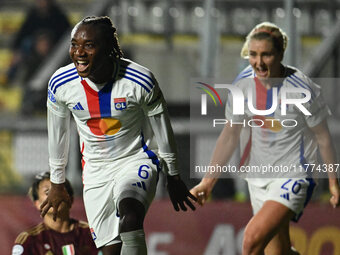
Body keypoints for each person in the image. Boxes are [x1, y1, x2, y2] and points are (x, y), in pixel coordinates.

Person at [42, 16, 196, 255]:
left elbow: (162, 128)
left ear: (109, 50)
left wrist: (173, 175)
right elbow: (58, 133)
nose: (79, 53)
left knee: (130, 215)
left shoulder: (139, 81)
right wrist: (57, 181)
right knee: (111, 251)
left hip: (134, 160)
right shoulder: (61, 84)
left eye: (89, 45)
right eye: (74, 45)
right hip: (95, 172)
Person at [190, 22, 340, 255]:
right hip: (258, 179)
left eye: (266, 55)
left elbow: (323, 137)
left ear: (280, 54)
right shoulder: (242, 84)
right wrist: (208, 182)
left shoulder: (301, 89)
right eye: (253, 54)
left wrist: (333, 181)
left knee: (250, 241)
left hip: (295, 175)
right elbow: (230, 135)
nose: (258, 62)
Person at [12, 172, 99, 255]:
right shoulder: (29, 240)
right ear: (37, 204)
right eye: (47, 192)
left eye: (60, 190)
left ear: (71, 199)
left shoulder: (90, 234)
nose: (54, 196)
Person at [7, 0, 70, 84]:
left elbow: (68, 36)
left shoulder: (58, 16)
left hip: (55, 51)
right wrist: (17, 51)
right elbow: (21, 35)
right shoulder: (32, 15)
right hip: (33, 52)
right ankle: (9, 78)